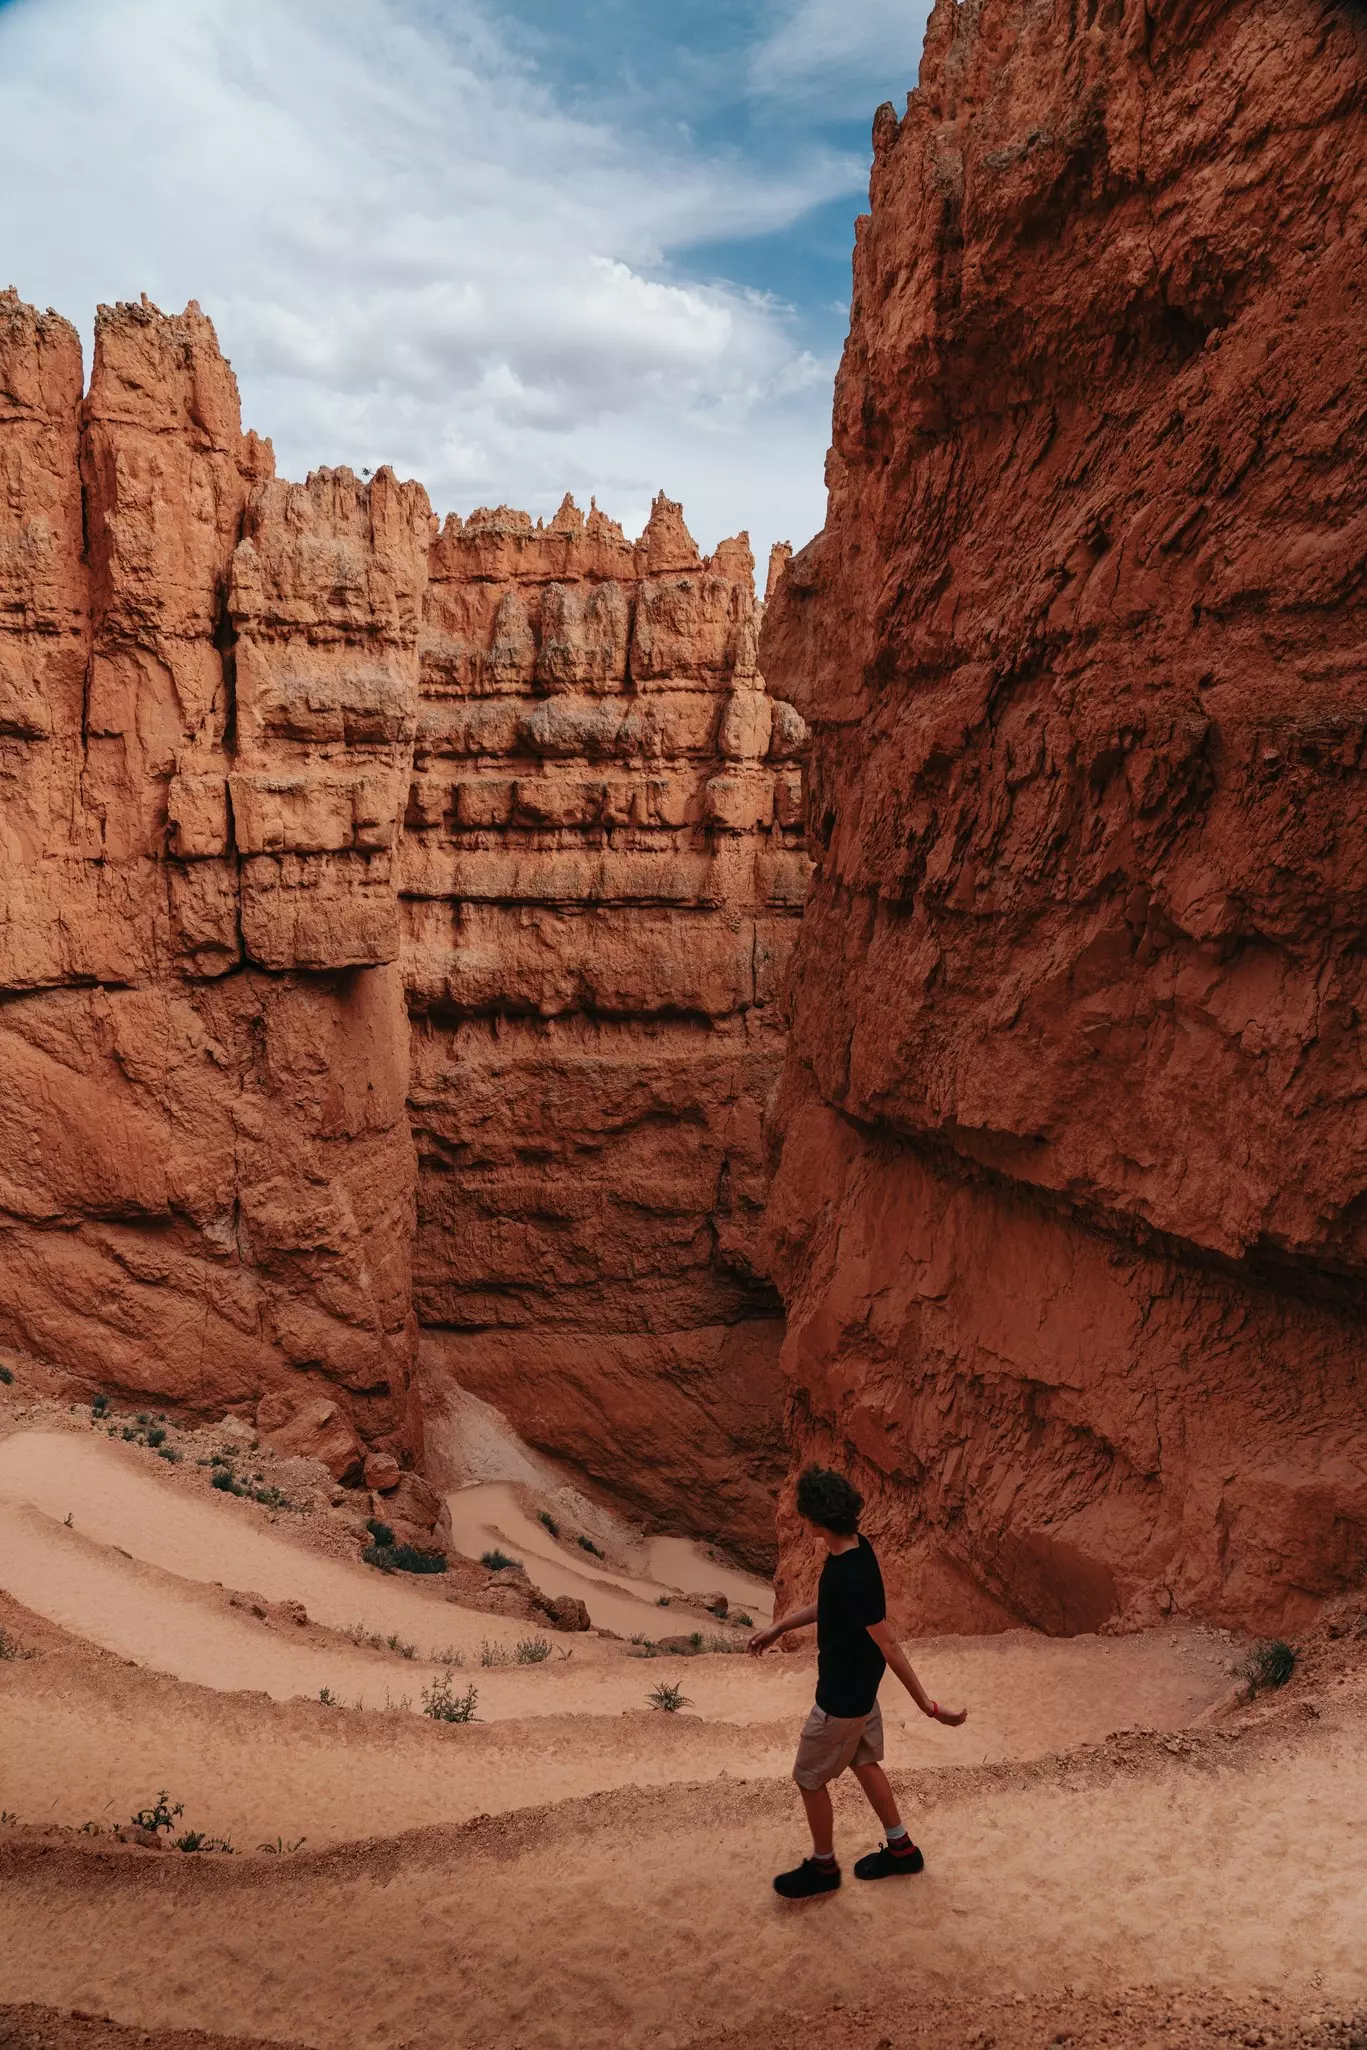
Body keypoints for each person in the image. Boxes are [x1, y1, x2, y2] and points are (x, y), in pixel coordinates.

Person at [748, 1463, 968, 1899]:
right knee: (864, 1762)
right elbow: (829, 1605)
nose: (801, 1519)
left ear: (817, 1520)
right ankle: (902, 1849)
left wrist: (928, 1706)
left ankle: (824, 1868)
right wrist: (780, 1627)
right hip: (862, 1693)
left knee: (808, 1777)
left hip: (841, 1700)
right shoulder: (854, 1549)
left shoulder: (851, 1573)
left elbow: (890, 1645)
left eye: (804, 1513)